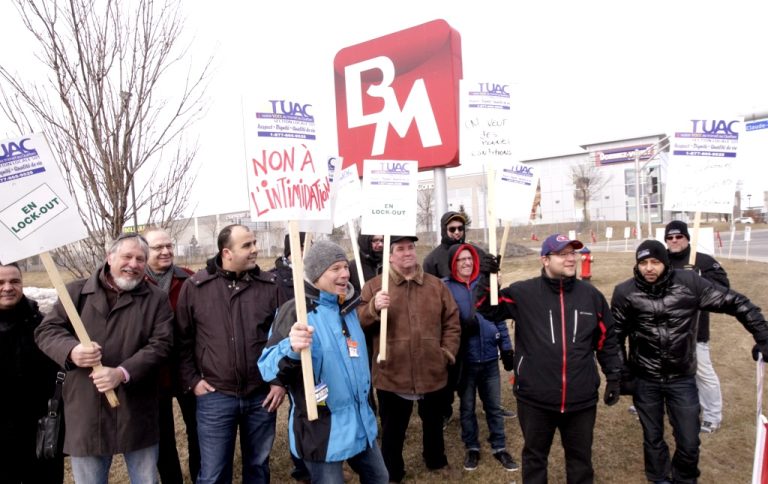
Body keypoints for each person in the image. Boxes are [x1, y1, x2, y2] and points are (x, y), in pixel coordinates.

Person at [611, 239, 768, 484]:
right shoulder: (625, 292)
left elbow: (736, 302)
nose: (649, 268)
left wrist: (763, 336)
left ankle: (684, 478)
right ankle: (659, 478)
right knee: (652, 437)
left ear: (665, 263)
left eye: (655, 262)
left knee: (689, 440)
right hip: (646, 378)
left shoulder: (690, 284)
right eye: (643, 263)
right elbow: (615, 337)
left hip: (681, 378)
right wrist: (623, 375)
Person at [475, 234, 622, 484]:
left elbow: (606, 339)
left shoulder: (591, 295)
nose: (570, 259)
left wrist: (615, 376)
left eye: (572, 253)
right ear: (545, 259)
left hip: (580, 398)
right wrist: (485, 279)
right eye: (562, 254)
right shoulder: (523, 293)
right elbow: (486, 307)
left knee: (580, 460)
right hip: (536, 398)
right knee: (534, 458)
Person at [34, 233, 174, 483]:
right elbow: (46, 331)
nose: (133, 264)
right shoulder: (76, 293)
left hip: (136, 407)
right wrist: (71, 350)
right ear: (110, 257)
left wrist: (122, 373)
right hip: (87, 408)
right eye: (127, 256)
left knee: (146, 479)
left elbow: (161, 344)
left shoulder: (156, 299)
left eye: (140, 259)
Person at [259, 240, 389, 484]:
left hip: (360, 421)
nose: (345, 274)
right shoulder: (295, 311)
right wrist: (291, 347)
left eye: (345, 267)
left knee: (380, 477)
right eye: (335, 268)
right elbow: (267, 367)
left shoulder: (349, 307)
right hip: (322, 428)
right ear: (317, 274)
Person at [175, 224, 286, 483]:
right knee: (213, 473)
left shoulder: (270, 286)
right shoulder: (196, 287)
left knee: (258, 467)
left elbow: (283, 340)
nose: (255, 249)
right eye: (247, 245)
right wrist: (192, 380)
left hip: (261, 396)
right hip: (215, 396)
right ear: (227, 252)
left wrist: (279, 381)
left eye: (254, 243)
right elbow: (181, 339)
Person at [359, 235, 461, 482]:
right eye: (400, 249)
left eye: (411, 247)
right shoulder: (375, 286)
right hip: (392, 372)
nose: (407, 253)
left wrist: (446, 352)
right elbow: (358, 322)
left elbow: (452, 321)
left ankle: (435, 459)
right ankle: (392, 471)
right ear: (390, 255)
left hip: (432, 370)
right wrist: (373, 308)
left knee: (434, 422)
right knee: (394, 428)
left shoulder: (436, 286)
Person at [442, 244, 519, 472]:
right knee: (467, 407)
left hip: (488, 359)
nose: (466, 263)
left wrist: (506, 348)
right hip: (466, 360)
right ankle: (472, 447)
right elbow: (443, 322)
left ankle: (499, 446)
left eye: (469, 259)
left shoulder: (486, 284)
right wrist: (462, 329)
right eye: (461, 260)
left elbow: (499, 318)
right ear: (453, 263)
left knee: (493, 406)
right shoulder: (446, 288)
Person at [142, 227, 200, 483]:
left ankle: (201, 474)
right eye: (158, 247)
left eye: (169, 246)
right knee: (162, 434)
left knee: (198, 429)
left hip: (188, 368)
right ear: (144, 251)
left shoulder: (188, 278)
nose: (166, 251)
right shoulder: (136, 282)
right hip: (153, 373)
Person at [0, 262, 64, 484]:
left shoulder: (43, 325)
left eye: (14, 281)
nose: (8, 287)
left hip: (38, 430)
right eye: (1, 282)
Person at [664, 220, 729, 433]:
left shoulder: (703, 261)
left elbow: (723, 290)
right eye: (670, 237)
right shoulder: (660, 260)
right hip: (664, 331)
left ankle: (712, 415)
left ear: (687, 238)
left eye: (678, 237)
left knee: (702, 372)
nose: (674, 241)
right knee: (665, 371)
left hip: (694, 331)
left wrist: (699, 279)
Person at [268, 232, 312, 484]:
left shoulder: (316, 274)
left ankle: (315, 458)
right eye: (303, 246)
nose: (308, 251)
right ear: (290, 252)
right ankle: (302, 466)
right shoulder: (276, 280)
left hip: (312, 348)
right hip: (288, 349)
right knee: (298, 409)